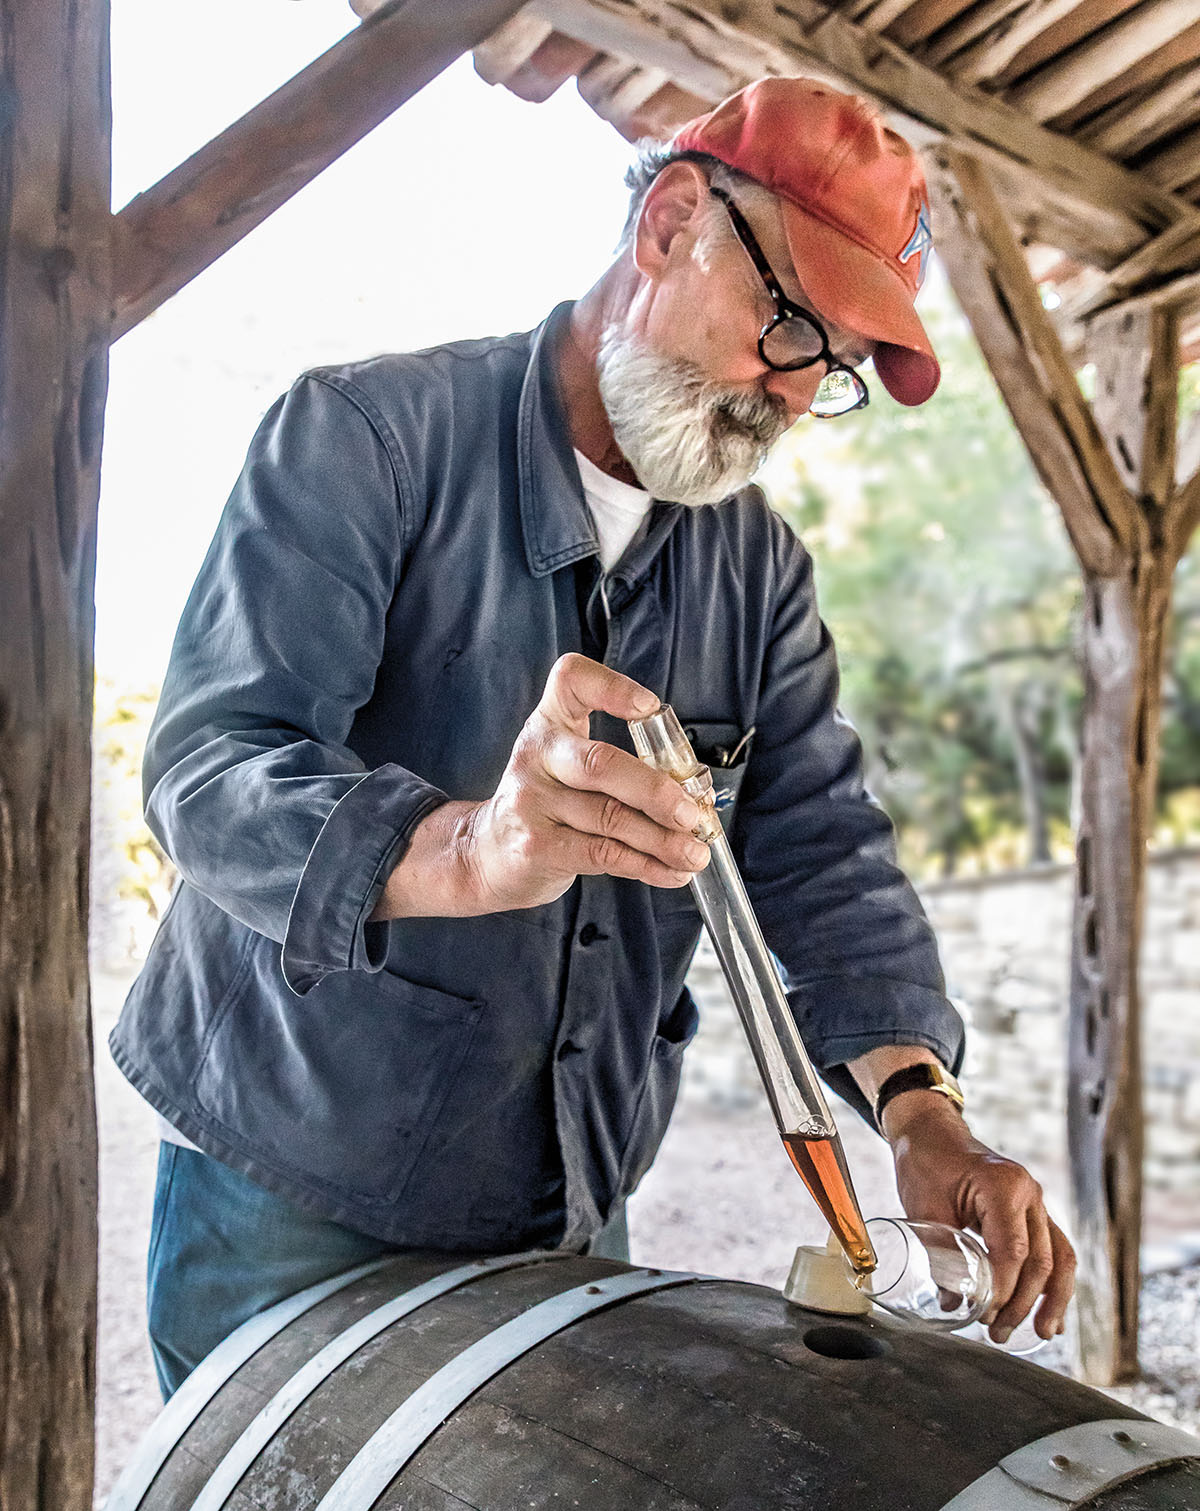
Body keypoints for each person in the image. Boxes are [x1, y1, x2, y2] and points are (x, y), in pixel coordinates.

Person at [112, 76, 1076, 1400]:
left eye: (835, 369)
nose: (794, 397)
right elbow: (213, 768)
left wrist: (922, 1113)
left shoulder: (760, 577)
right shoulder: (364, 441)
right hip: (296, 1181)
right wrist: (467, 845)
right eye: (789, 324)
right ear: (672, 224)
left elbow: (820, 850)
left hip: (560, 1193)